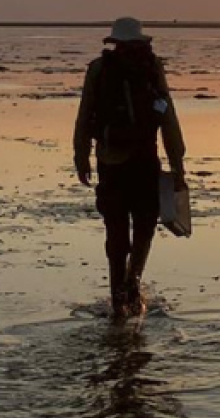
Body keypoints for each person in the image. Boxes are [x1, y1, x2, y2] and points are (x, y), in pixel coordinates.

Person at [73, 17, 187, 319]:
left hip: (111, 161)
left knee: (116, 231)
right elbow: (168, 116)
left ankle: (117, 296)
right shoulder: (152, 67)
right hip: (145, 158)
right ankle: (133, 280)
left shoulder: (99, 69)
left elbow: (85, 113)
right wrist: (178, 164)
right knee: (145, 224)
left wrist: (81, 155)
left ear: (115, 42)